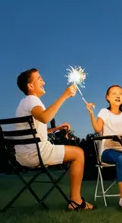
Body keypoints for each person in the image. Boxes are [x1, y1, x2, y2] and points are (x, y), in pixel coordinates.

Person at [15, 68, 95, 211]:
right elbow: (45, 117)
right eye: (39, 79)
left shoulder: (23, 103)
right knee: (78, 153)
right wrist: (64, 95)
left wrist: (56, 129)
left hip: (21, 155)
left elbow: (35, 132)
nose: (43, 82)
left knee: (75, 153)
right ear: (30, 86)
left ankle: (75, 200)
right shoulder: (33, 100)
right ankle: (76, 201)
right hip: (36, 153)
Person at [85, 85, 122, 209]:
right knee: (121, 158)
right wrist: (91, 113)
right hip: (107, 151)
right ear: (107, 97)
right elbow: (97, 129)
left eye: (120, 93)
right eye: (114, 93)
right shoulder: (104, 112)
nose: (117, 95)